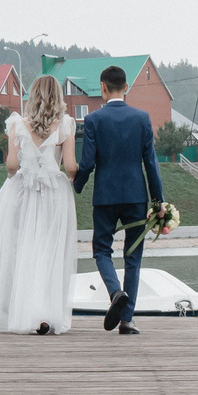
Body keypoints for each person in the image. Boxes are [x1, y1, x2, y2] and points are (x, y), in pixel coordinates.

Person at [0, 74, 80, 334]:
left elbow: (11, 165)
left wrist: (18, 176)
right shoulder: (65, 124)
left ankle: (21, 313)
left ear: (33, 95)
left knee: (19, 253)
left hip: (24, 192)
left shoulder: (17, 124)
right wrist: (69, 173)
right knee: (50, 254)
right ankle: (45, 314)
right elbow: (71, 166)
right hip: (53, 195)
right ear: (58, 96)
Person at [71, 63, 163, 334]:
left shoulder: (93, 120)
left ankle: (114, 293)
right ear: (126, 87)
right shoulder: (142, 118)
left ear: (102, 87)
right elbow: (151, 164)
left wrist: (76, 186)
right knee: (133, 256)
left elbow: (87, 162)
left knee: (101, 250)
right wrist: (158, 203)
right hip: (136, 197)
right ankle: (127, 319)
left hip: (105, 197)